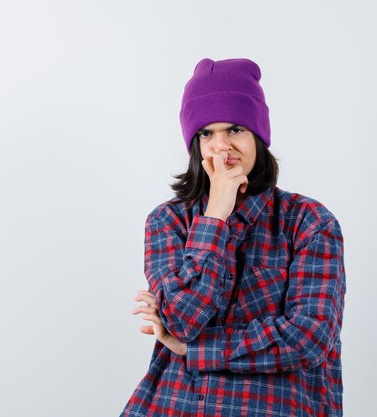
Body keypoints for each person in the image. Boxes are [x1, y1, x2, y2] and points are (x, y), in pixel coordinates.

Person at [119, 58, 346, 417]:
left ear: (258, 135)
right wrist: (216, 214)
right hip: (171, 404)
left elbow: (308, 338)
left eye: (235, 129)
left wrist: (193, 349)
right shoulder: (168, 220)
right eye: (206, 134)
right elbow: (181, 320)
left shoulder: (309, 222)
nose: (221, 147)